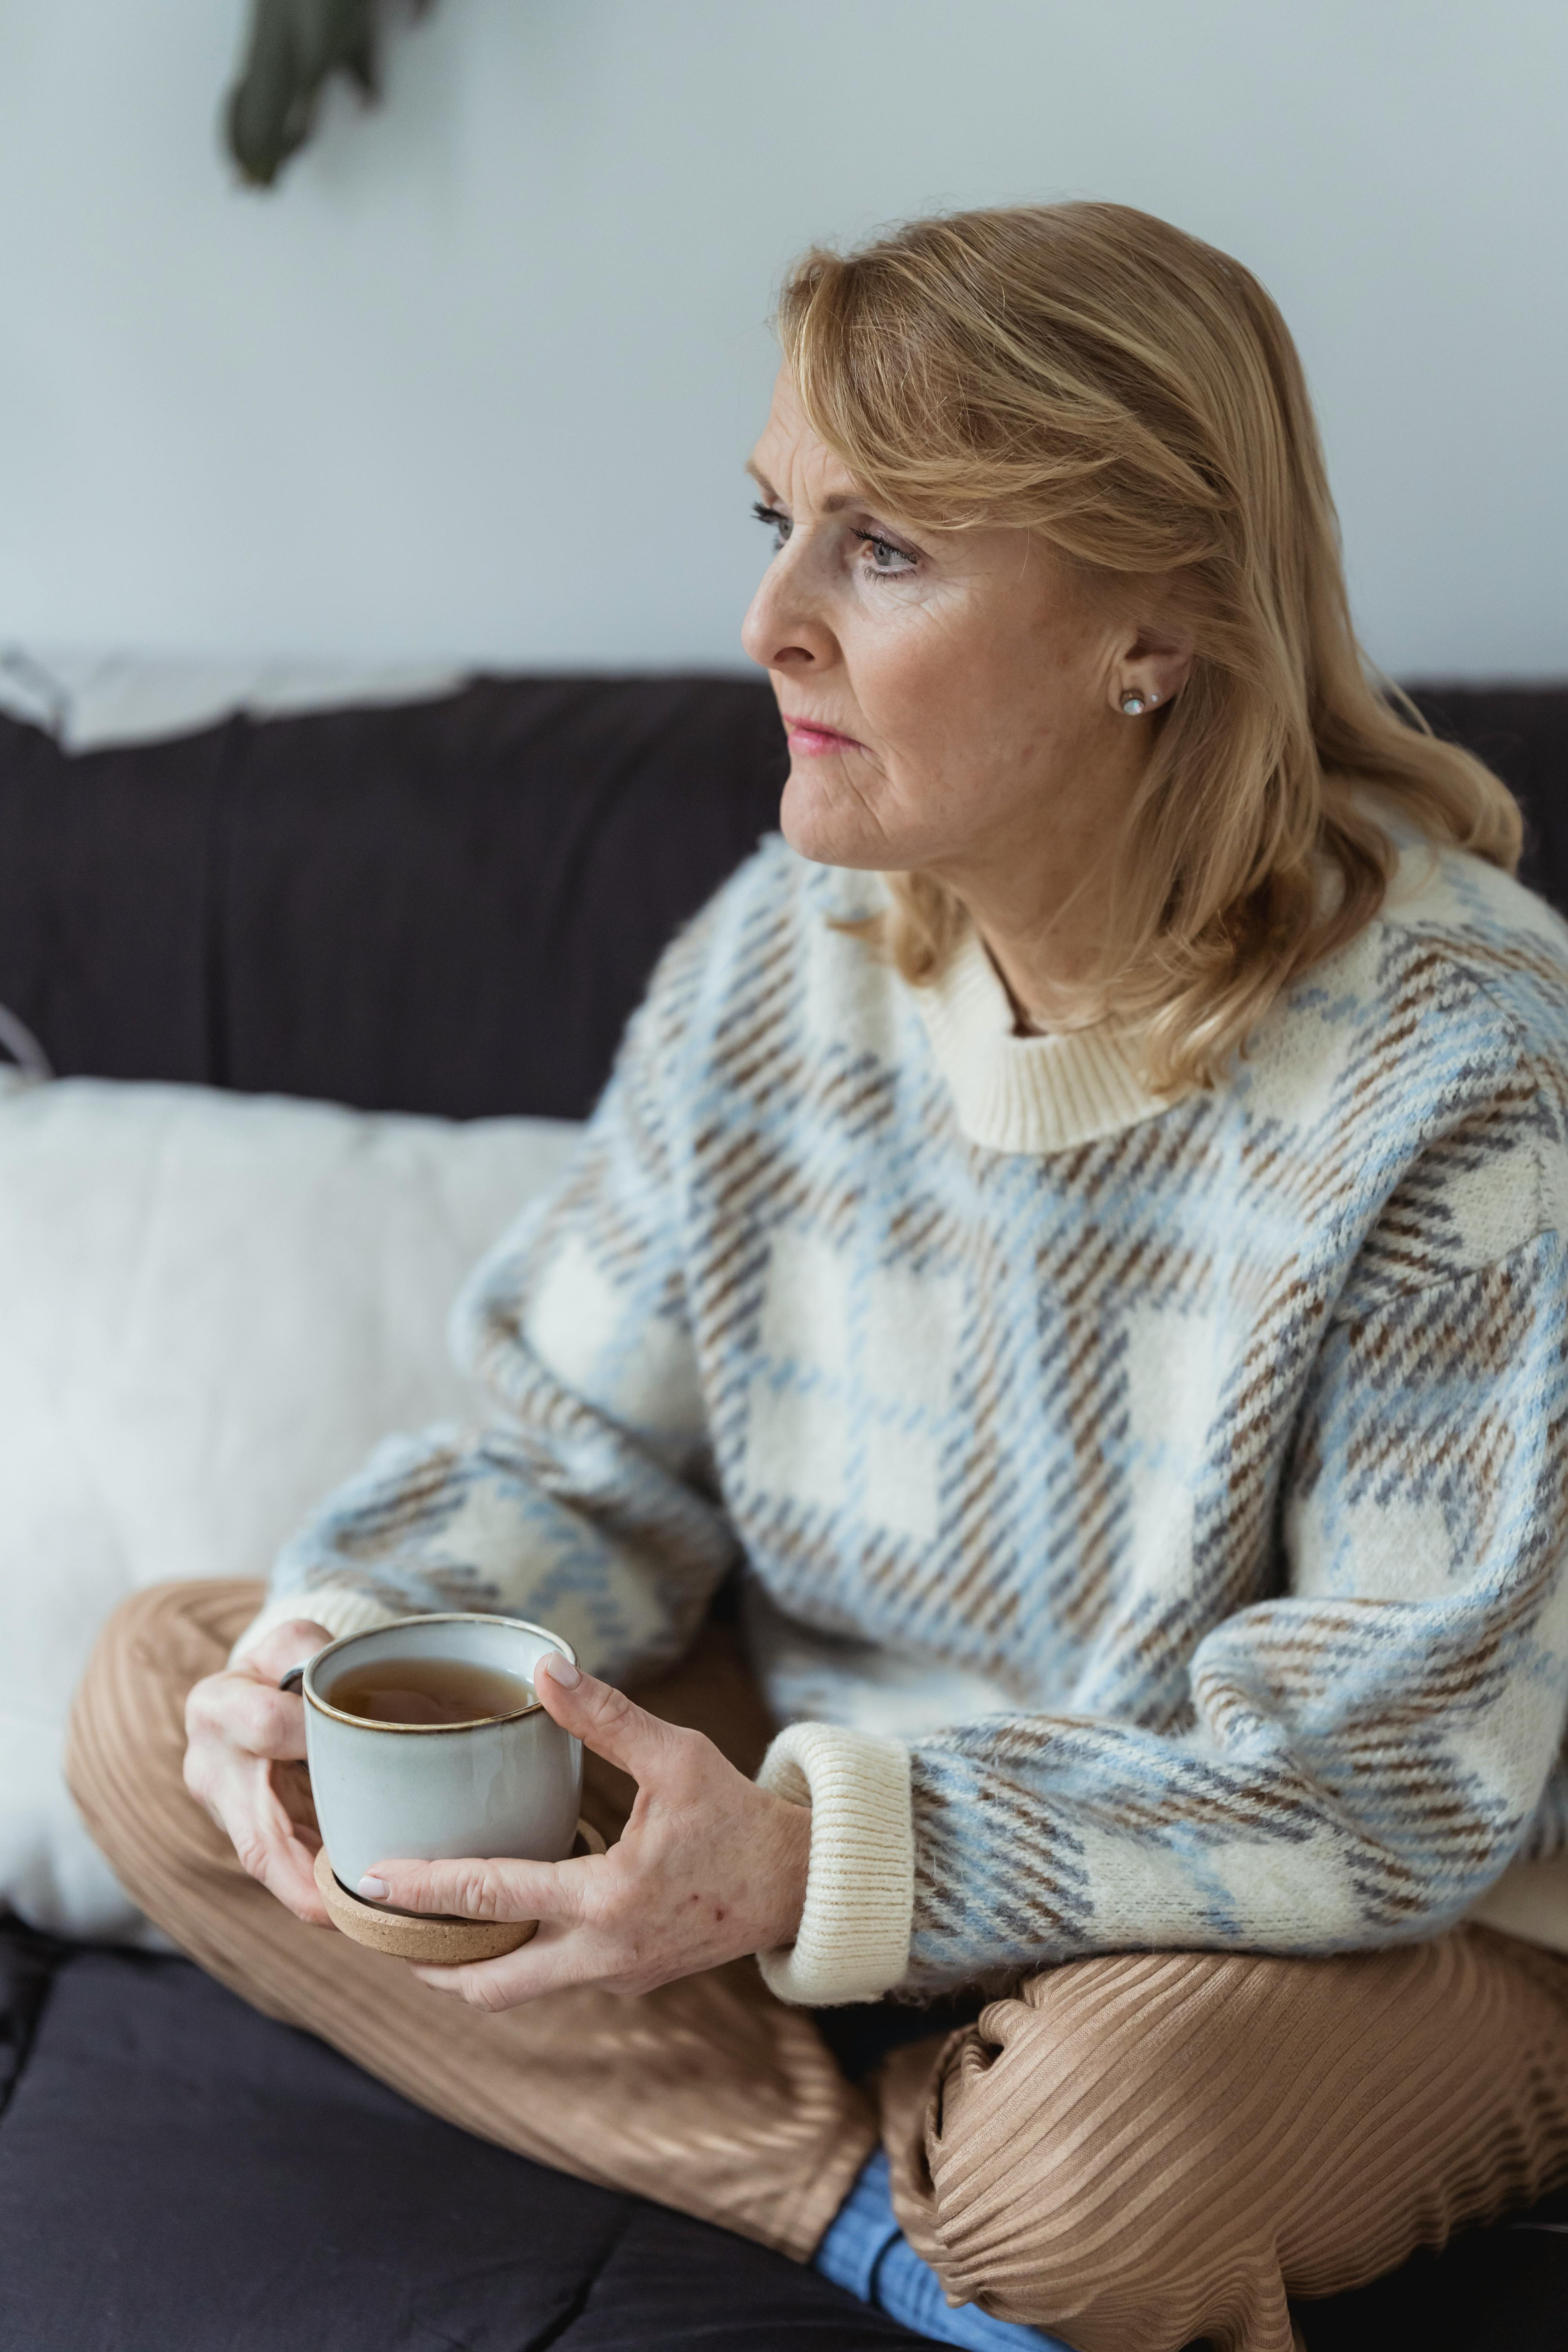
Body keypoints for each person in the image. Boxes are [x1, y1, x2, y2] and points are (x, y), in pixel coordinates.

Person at [71, 202, 1568, 2352]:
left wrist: (789, 1873)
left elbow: (1384, 1767)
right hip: (845, 1803)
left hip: (1344, 1906)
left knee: (1094, 2176)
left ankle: (979, 2164)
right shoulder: (786, 956)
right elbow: (579, 1464)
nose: (767, 621)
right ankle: (875, 2213)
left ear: (1159, 623)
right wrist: (342, 1652)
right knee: (167, 1700)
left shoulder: (1463, 1059)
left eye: (883, 551)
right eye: (777, 523)